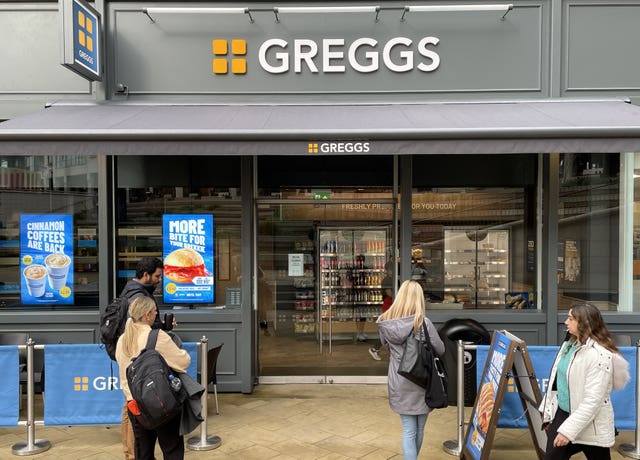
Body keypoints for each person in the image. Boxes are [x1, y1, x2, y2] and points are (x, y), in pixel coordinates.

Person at [540, 303, 630, 460]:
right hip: (563, 414)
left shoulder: (599, 356)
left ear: (584, 323)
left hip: (590, 422)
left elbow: (592, 401)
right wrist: (549, 412)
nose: (566, 322)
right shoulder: (569, 343)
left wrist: (567, 431)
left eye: (570, 318)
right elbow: (557, 381)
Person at [376, 280, 445, 460]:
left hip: (399, 381)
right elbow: (441, 349)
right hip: (422, 381)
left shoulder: (385, 322)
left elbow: (386, 346)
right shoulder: (423, 323)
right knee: (419, 429)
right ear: (419, 299)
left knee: (408, 429)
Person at [116, 296, 191, 460]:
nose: (157, 316)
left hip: (134, 405)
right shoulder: (157, 337)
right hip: (162, 401)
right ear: (148, 314)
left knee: (143, 453)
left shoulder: (122, 340)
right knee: (172, 450)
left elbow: (123, 374)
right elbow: (183, 362)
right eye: (155, 313)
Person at [120, 256, 175, 460]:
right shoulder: (137, 296)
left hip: (134, 368)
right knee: (133, 409)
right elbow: (142, 334)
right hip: (139, 371)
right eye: (158, 275)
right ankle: (131, 453)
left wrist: (162, 326)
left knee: (132, 406)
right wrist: (160, 333)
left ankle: (134, 453)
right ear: (146, 275)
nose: (160, 279)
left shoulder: (135, 291)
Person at [369, 261, 395, 360]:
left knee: (390, 330)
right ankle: (375, 348)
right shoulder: (387, 281)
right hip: (389, 307)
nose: (392, 271)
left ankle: (377, 349)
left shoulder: (393, 279)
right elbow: (389, 293)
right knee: (389, 331)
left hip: (392, 307)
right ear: (387, 270)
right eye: (391, 269)